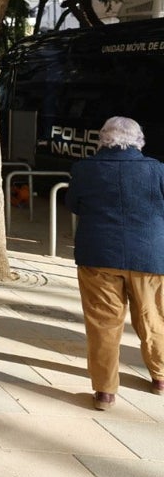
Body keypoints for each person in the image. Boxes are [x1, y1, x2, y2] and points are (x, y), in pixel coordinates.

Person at [65, 117, 164, 411]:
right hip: (149, 256)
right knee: (153, 318)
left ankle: (105, 391)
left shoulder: (84, 169)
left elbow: (73, 204)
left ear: (102, 140)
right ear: (139, 141)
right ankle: (160, 377)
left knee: (103, 324)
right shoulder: (157, 169)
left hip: (98, 254)